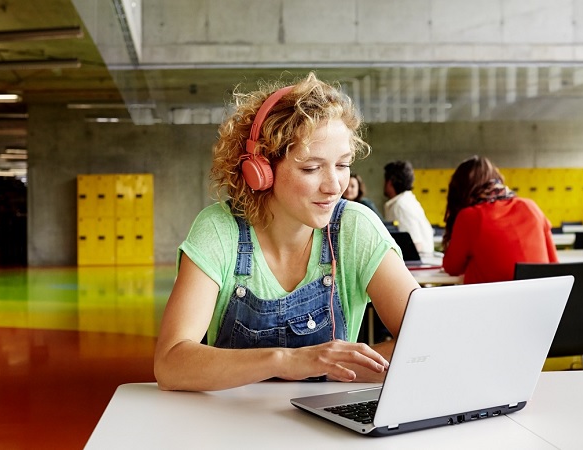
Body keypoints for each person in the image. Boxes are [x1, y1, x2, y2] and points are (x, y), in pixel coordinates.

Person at [154, 73, 419, 392]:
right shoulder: (219, 231)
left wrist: (334, 368)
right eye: (311, 168)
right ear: (260, 170)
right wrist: (284, 361)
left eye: (343, 164)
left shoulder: (356, 226)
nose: (335, 186)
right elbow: (170, 363)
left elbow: (428, 342)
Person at [441, 155, 558, 284]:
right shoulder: (531, 207)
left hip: (494, 301)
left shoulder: (469, 216)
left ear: (459, 191)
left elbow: (452, 268)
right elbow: (553, 264)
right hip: (540, 299)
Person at [382, 160, 434, 258]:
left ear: (390, 182)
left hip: (414, 266)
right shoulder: (407, 200)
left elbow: (415, 244)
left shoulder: (401, 205)